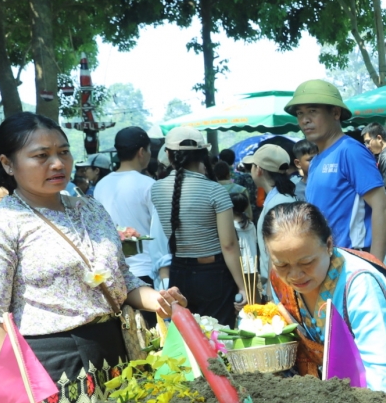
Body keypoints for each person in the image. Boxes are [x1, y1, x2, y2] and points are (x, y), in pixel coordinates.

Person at [0, 113, 184, 403]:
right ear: (7, 164)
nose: (57, 163)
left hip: (114, 357)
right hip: (47, 368)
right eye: (41, 155)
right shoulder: (5, 222)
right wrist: (11, 395)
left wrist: (156, 299)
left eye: (64, 152)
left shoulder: (91, 209)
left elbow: (122, 280)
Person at [263, 202, 386, 395]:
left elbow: (381, 371)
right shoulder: (279, 281)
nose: (295, 275)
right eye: (281, 264)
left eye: (306, 262)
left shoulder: (360, 283)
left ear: (329, 245)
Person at [151, 127, 248, 327]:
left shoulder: (156, 189)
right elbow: (228, 245)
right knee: (219, 337)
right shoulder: (215, 191)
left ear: (168, 154)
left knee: (189, 339)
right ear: (204, 155)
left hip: (178, 273)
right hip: (214, 275)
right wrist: (242, 287)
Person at [287, 79, 386, 261]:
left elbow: (382, 208)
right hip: (327, 261)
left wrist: (376, 266)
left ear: (335, 113)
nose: (305, 120)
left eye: (312, 111)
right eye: (300, 113)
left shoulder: (350, 151)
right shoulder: (317, 160)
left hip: (354, 259)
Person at [93, 126, 171, 292]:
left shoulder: (101, 185)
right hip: (146, 271)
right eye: (150, 150)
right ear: (142, 152)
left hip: (112, 272)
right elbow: (161, 232)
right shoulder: (149, 185)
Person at [243, 143, 297, 301]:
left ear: (258, 170)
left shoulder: (277, 203)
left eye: (252, 166)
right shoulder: (282, 198)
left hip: (280, 285)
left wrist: (269, 291)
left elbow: (277, 251)